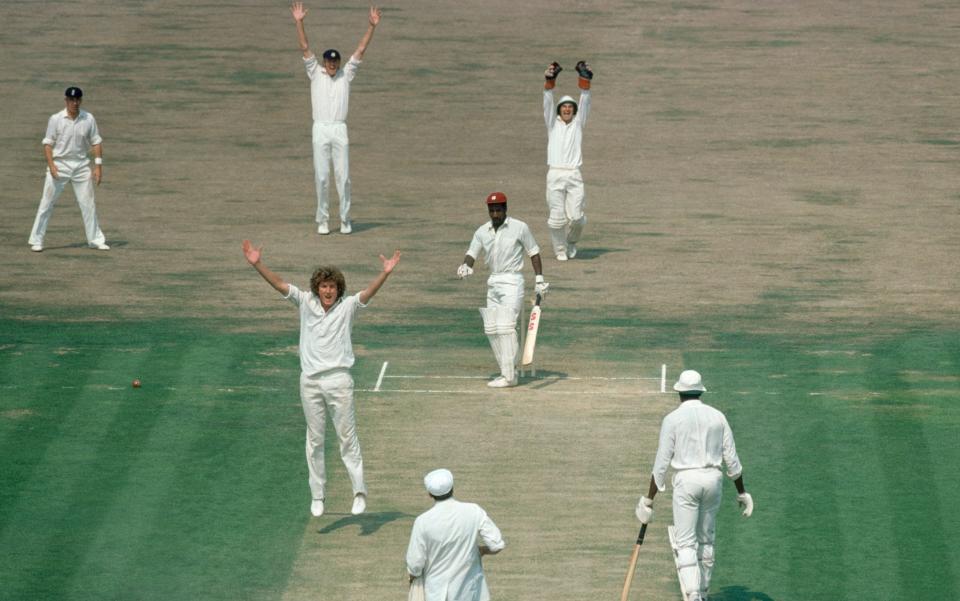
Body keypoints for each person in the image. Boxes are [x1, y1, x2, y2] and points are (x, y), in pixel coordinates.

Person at [242, 239, 400, 517]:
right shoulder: (304, 302)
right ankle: (318, 495)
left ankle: (359, 492)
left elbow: (368, 294)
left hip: (339, 380)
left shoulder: (348, 306)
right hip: (310, 382)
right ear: (317, 288)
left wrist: (385, 273)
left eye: (332, 286)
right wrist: (257, 264)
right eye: (324, 286)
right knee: (314, 440)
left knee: (347, 438)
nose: (328, 291)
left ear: (339, 289)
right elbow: (279, 284)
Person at [634, 370, 754, 601]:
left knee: (686, 542)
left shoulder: (672, 419)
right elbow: (732, 458)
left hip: (686, 482)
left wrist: (648, 500)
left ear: (679, 392)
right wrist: (742, 491)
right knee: (706, 538)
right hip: (713, 480)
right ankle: (704, 592)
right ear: (700, 391)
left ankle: (694, 595)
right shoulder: (718, 416)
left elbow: (661, 464)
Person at [291, 2, 382, 236]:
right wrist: (299, 21)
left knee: (344, 178)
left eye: (335, 62)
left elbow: (360, 50)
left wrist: (371, 27)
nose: (332, 65)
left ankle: (345, 219)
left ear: (339, 63)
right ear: (324, 62)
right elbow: (304, 46)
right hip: (320, 128)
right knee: (321, 176)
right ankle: (322, 220)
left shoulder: (346, 74)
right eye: (329, 62)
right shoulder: (315, 72)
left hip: (340, 129)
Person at [457, 192, 548, 388]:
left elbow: (534, 252)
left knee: (506, 327)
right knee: (492, 328)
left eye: (499, 209)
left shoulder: (519, 227)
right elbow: (471, 253)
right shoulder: (482, 231)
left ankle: (509, 375)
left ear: (505, 209)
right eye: (492, 210)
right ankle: (507, 372)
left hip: (512, 281)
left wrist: (539, 279)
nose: (495, 213)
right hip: (493, 281)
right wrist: (466, 266)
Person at [28, 86, 109, 252]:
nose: (75, 103)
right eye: (71, 100)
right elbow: (48, 144)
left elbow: (96, 142)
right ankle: (37, 240)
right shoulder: (56, 119)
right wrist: (51, 166)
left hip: (81, 166)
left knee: (88, 204)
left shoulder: (88, 118)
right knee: (47, 202)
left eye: (78, 99)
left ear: (81, 100)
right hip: (60, 165)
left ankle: (95, 239)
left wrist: (98, 167)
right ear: (66, 101)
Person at [406, 469, 505, 601]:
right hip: (469, 590)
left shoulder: (423, 521)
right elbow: (496, 544)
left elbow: (415, 563)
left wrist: (413, 575)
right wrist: (482, 550)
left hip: (436, 592)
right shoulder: (474, 511)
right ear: (452, 487)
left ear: (429, 494)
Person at [541, 60, 594, 261]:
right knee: (556, 219)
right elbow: (547, 100)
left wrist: (585, 80)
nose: (567, 110)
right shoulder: (552, 124)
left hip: (573, 173)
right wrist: (549, 80)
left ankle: (571, 242)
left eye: (570, 107)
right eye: (563, 107)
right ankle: (560, 249)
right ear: (559, 109)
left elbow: (585, 100)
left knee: (577, 218)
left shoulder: (578, 124)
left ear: (574, 110)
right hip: (555, 173)